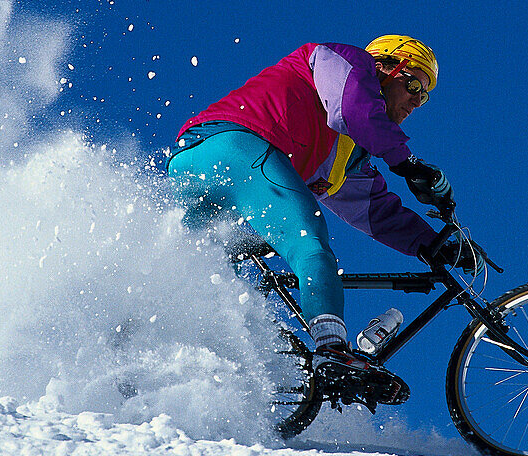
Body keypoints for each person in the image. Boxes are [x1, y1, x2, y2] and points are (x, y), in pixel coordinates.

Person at [167, 36, 481, 376]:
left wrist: (436, 246)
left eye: (425, 96)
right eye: (415, 84)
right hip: (231, 144)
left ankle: (145, 343)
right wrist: (408, 164)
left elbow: (374, 211)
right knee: (310, 242)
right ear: (385, 68)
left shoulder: (346, 152)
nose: (417, 101)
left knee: (193, 277)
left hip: (201, 167)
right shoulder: (342, 61)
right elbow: (356, 109)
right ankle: (332, 350)